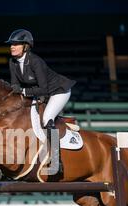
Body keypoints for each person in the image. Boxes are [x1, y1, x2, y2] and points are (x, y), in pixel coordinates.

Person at [6, 29, 77, 175]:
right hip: (39, 94)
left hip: (58, 91)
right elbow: (14, 86)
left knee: (46, 119)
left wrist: (24, 92)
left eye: (16, 44)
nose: (12, 46)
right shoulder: (12, 62)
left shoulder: (35, 61)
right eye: (11, 44)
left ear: (26, 46)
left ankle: (57, 161)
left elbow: (43, 89)